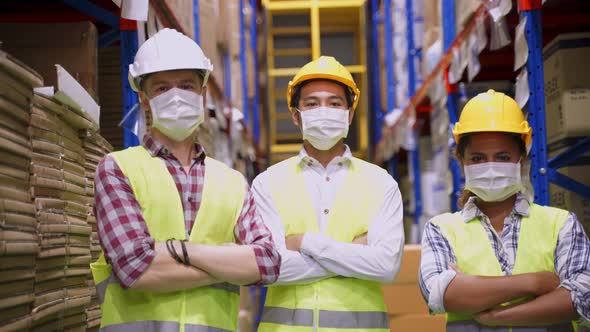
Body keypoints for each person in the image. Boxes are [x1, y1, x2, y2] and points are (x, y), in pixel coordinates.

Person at [91, 28, 281, 332]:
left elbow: (268, 263)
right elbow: (134, 269)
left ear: (202, 93)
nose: (176, 95)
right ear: (144, 98)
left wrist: (177, 252)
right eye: (162, 88)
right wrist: (231, 263)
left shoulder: (233, 182)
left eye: (186, 85)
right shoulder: (117, 169)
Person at [252, 56, 405, 331]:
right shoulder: (266, 183)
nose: (324, 110)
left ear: (349, 114)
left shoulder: (382, 183)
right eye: (312, 103)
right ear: (295, 116)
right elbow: (272, 269)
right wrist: (356, 253)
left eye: (334, 103)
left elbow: (386, 266)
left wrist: (304, 242)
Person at [419, 90, 590, 331]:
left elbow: (582, 297)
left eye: (502, 157)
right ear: (462, 161)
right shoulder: (441, 229)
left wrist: (494, 314)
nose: (490, 167)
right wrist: (535, 282)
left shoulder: (561, 224)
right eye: (478, 158)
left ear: (521, 158)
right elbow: (440, 295)